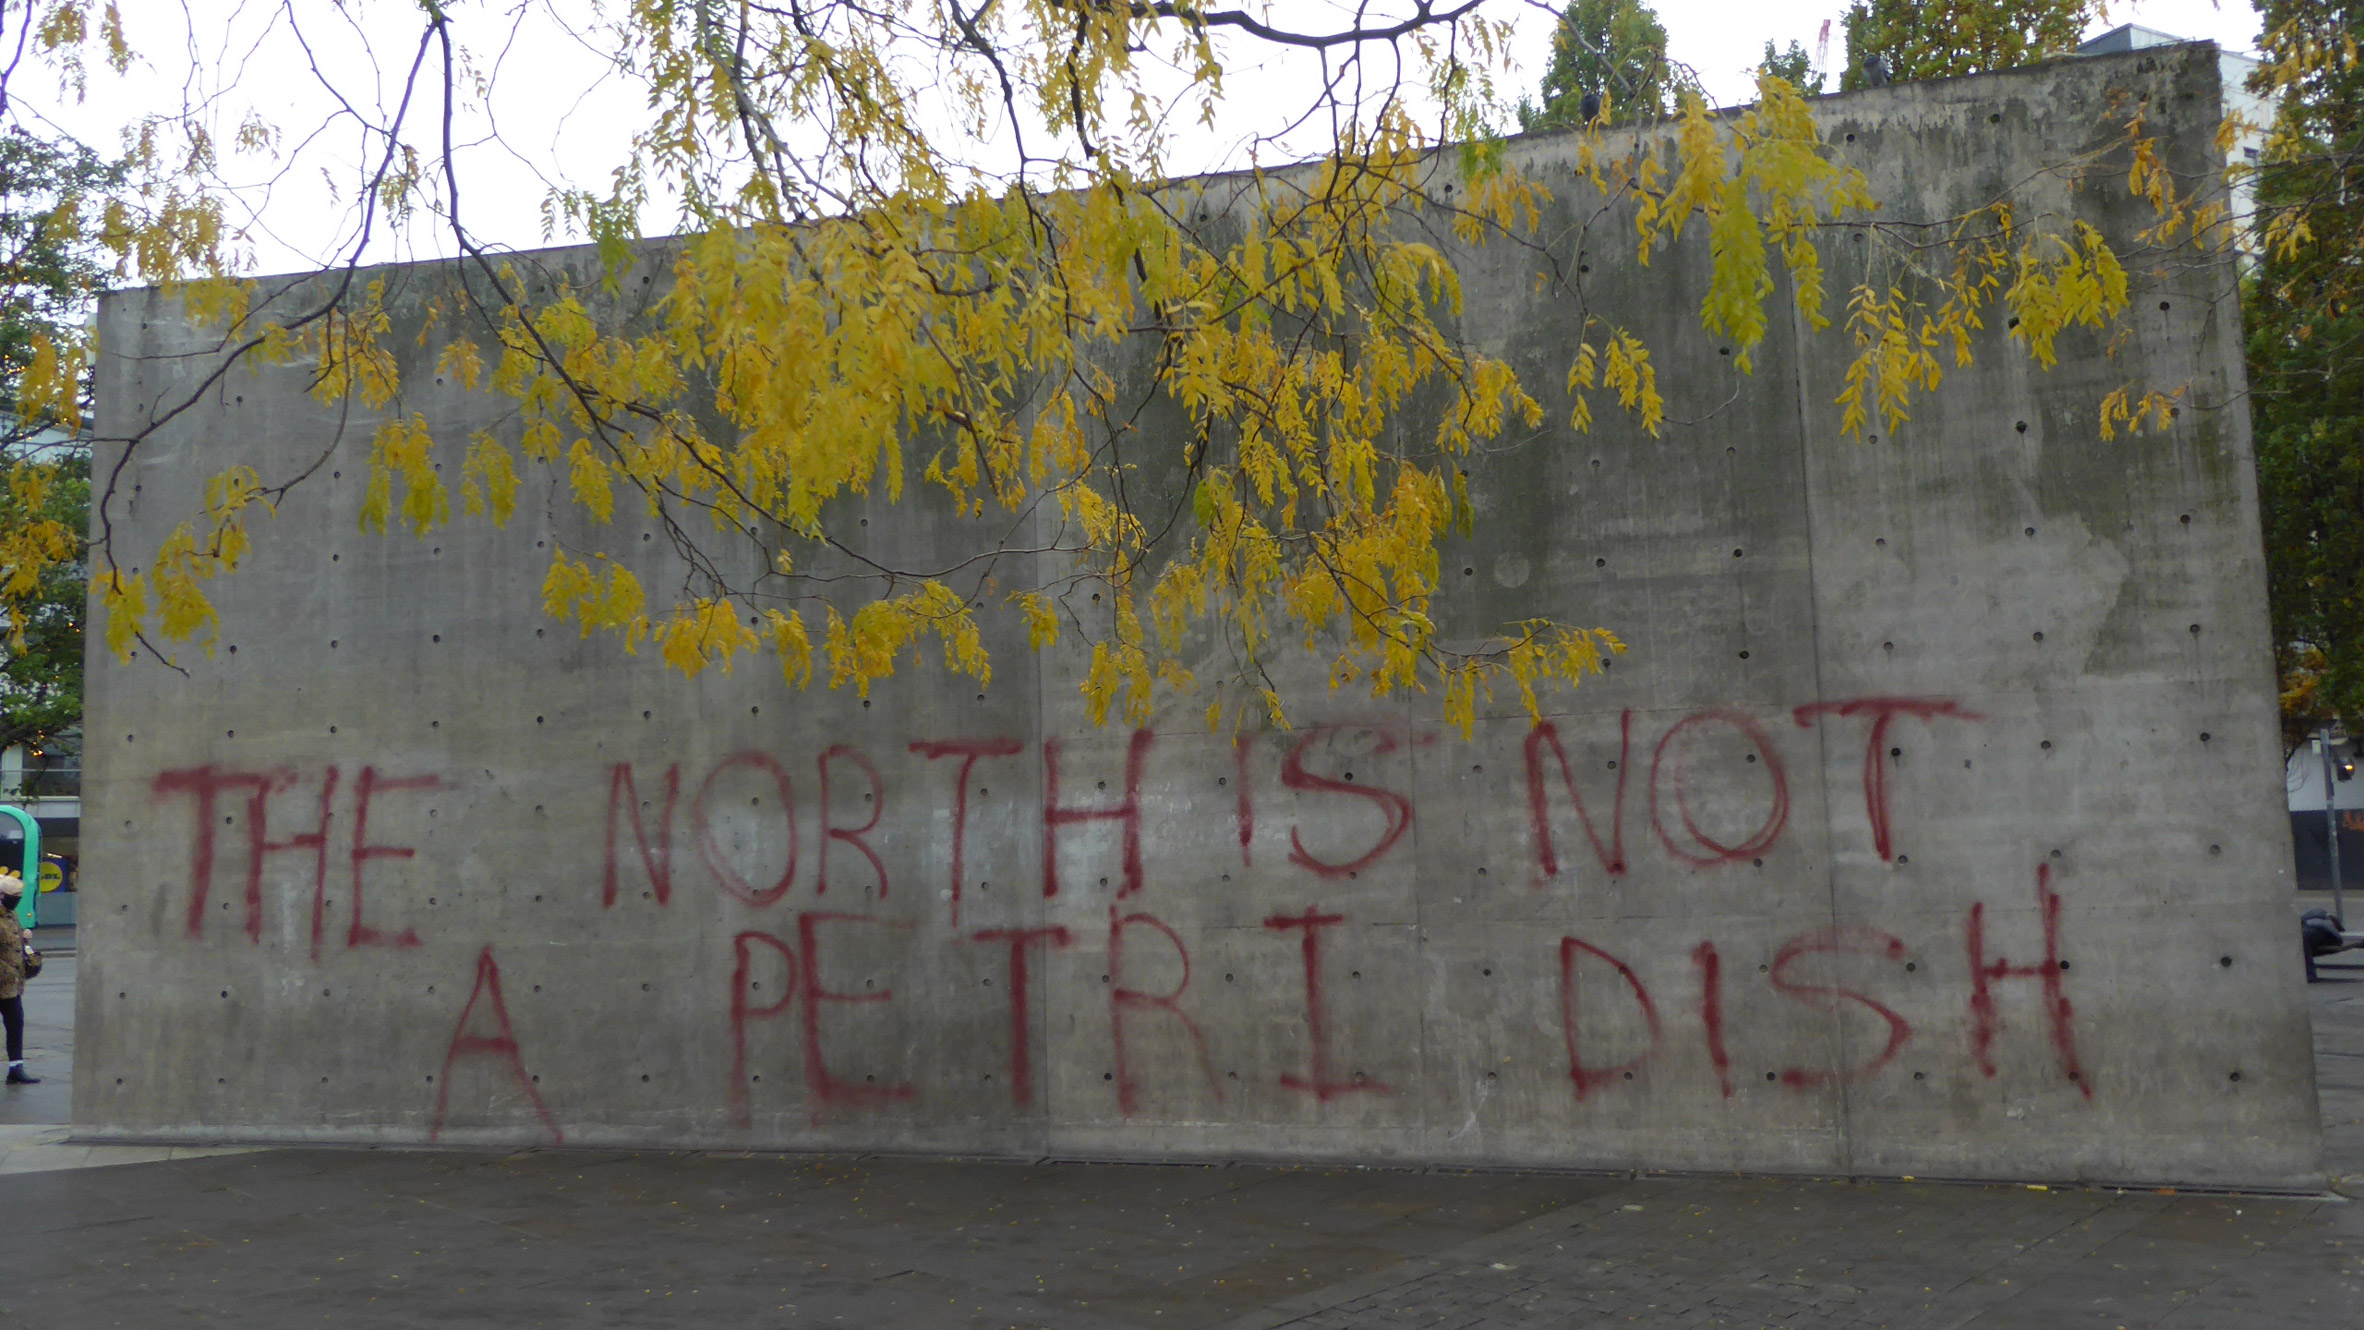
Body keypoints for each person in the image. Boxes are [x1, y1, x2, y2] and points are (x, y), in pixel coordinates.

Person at [0, 871, 33, 1084]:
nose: (16, 900)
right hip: (3, 979)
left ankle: (16, 1069)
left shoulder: (11, 915)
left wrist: (24, 936)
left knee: (15, 1025)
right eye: (13, 896)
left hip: (11, 985)